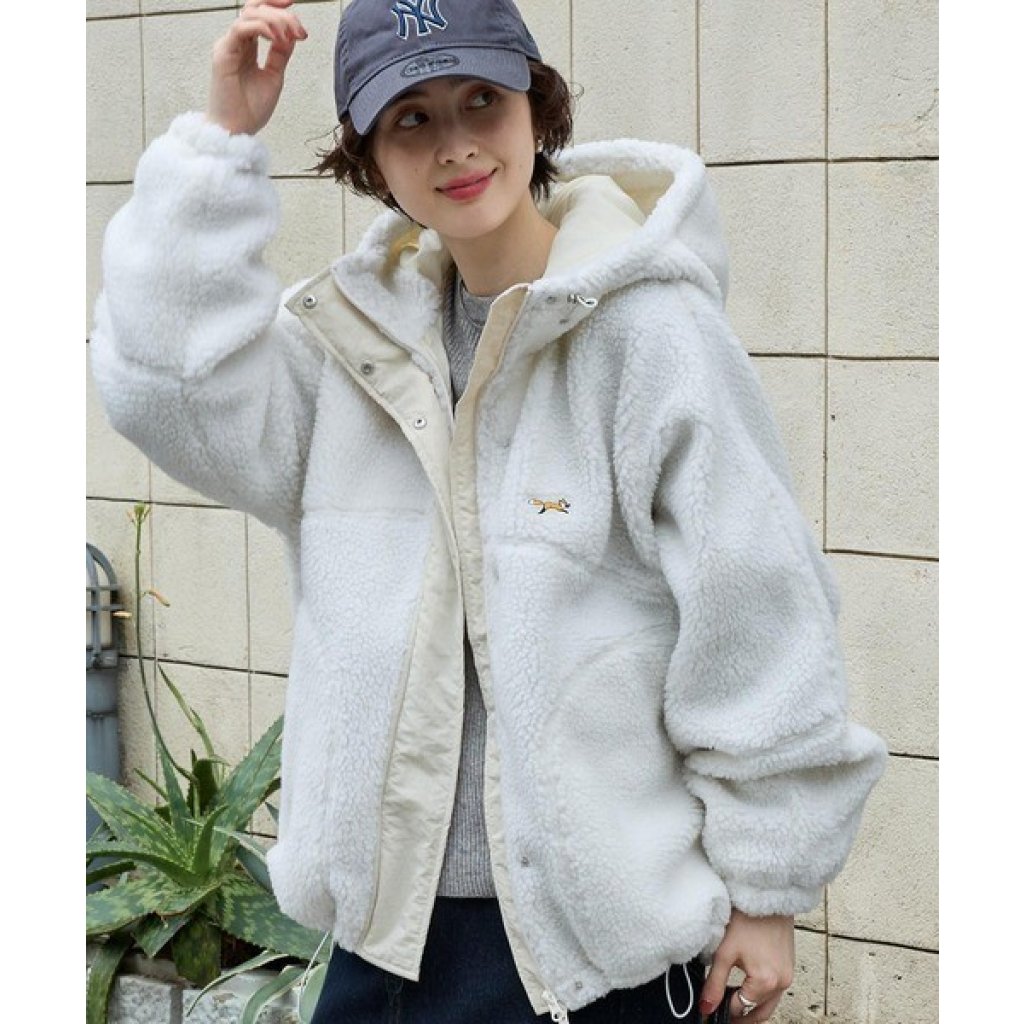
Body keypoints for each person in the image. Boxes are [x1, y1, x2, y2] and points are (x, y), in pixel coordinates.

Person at [90, 0, 888, 1020]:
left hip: (592, 954)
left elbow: (757, 613)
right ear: (369, 158)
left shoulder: (649, 335)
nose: (457, 144)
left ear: (537, 110)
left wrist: (768, 887)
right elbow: (168, 388)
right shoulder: (352, 353)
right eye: (411, 118)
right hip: (384, 941)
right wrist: (219, 143)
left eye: (482, 100)